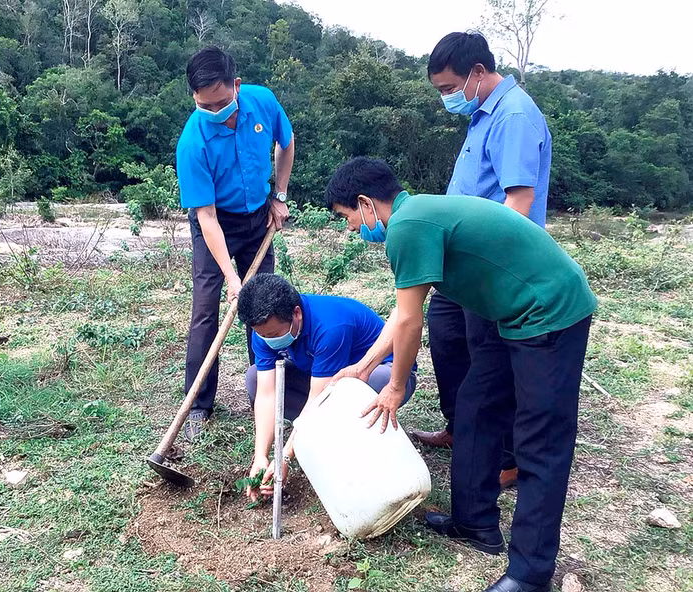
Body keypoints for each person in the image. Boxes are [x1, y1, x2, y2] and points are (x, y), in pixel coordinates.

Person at [324, 157, 596, 592]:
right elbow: (403, 312)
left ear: (365, 203)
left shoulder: (408, 227)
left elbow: (412, 324)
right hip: (508, 314)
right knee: (474, 407)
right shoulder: (418, 214)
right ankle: (475, 523)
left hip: (549, 311)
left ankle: (530, 574)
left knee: (540, 440)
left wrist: (395, 387)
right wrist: (363, 366)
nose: (353, 229)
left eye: (348, 218)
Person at [416, 32, 553, 490]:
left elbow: (519, 200)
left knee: (489, 360)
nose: (446, 98)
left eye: (449, 87)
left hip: (491, 264)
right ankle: (461, 428)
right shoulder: (482, 114)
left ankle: (506, 456)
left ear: (477, 72)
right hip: (463, 260)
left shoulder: (513, 115)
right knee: (448, 336)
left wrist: (483, 260)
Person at [176, 47, 296, 440]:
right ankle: (198, 405)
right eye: (204, 105)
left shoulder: (262, 100)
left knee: (262, 303)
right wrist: (230, 276)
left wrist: (278, 196)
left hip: (258, 213)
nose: (215, 111)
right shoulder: (193, 141)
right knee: (207, 307)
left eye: (222, 102)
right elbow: (206, 217)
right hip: (216, 221)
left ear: (237, 87)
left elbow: (286, 143)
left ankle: (261, 389)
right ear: (194, 97)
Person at [236, 273, 416, 501]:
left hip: (382, 376)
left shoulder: (330, 326)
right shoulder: (263, 332)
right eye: (261, 334)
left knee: (343, 392)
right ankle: (325, 430)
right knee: (254, 377)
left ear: (296, 314)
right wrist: (260, 456)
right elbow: (266, 393)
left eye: (272, 334)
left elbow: (317, 399)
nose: (267, 339)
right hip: (326, 378)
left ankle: (354, 448)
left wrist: (286, 456)